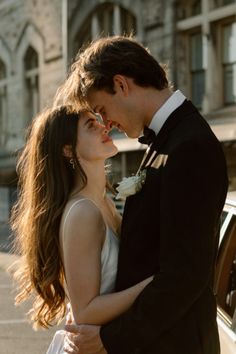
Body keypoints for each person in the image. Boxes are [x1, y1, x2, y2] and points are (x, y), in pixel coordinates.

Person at [56, 35, 229, 354]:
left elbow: (184, 276)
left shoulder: (190, 147)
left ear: (121, 85)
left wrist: (110, 340)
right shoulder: (168, 140)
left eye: (101, 109)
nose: (106, 123)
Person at [10, 105, 153, 353]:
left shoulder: (103, 202)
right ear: (68, 150)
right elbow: (85, 310)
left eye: (98, 120)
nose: (103, 125)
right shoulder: (82, 212)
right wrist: (155, 284)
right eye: (90, 125)